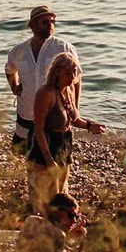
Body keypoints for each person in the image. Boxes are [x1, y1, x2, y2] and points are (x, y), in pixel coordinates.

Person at [25, 51, 93, 212]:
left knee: (61, 193)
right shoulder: (45, 93)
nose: (73, 76)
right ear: (56, 72)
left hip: (64, 144)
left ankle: (60, 228)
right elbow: (38, 129)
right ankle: (40, 228)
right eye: (68, 72)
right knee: (46, 198)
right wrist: (48, 159)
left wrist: (90, 126)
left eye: (75, 72)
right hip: (45, 146)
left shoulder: (68, 91)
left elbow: (74, 119)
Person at [4, 6, 78, 151]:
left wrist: (75, 107)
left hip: (55, 112)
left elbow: (77, 79)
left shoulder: (63, 47)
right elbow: (9, 70)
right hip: (27, 110)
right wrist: (14, 86)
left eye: (52, 21)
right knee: (24, 151)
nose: (50, 25)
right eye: (45, 22)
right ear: (33, 25)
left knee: (56, 154)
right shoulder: (19, 51)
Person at [18, 192, 82, 252]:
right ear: (56, 211)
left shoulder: (31, 220)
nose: (74, 221)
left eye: (76, 217)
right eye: (71, 215)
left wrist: (68, 236)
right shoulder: (59, 235)